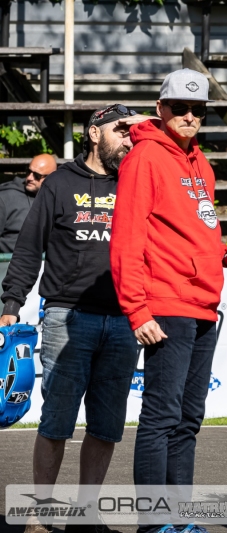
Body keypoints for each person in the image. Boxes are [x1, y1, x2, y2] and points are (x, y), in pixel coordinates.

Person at [0, 104, 146, 533]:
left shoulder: (136, 181)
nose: (129, 137)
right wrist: (11, 305)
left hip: (124, 318)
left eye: (132, 131)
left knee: (106, 425)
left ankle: (86, 515)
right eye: (121, 130)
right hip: (67, 316)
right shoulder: (60, 182)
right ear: (94, 133)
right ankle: (39, 513)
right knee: (57, 421)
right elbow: (29, 248)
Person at [110, 69, 227, 533]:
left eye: (198, 110)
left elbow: (200, 232)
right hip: (165, 303)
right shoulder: (145, 156)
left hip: (203, 304)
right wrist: (136, 308)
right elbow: (126, 236)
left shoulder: (200, 161)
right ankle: (154, 524)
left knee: (188, 419)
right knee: (162, 417)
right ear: (160, 108)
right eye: (180, 108)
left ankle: (179, 521)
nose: (189, 116)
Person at [0, 153, 57, 253]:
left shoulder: (59, 199)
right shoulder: (5, 198)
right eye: (28, 171)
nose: (30, 178)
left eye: (37, 176)